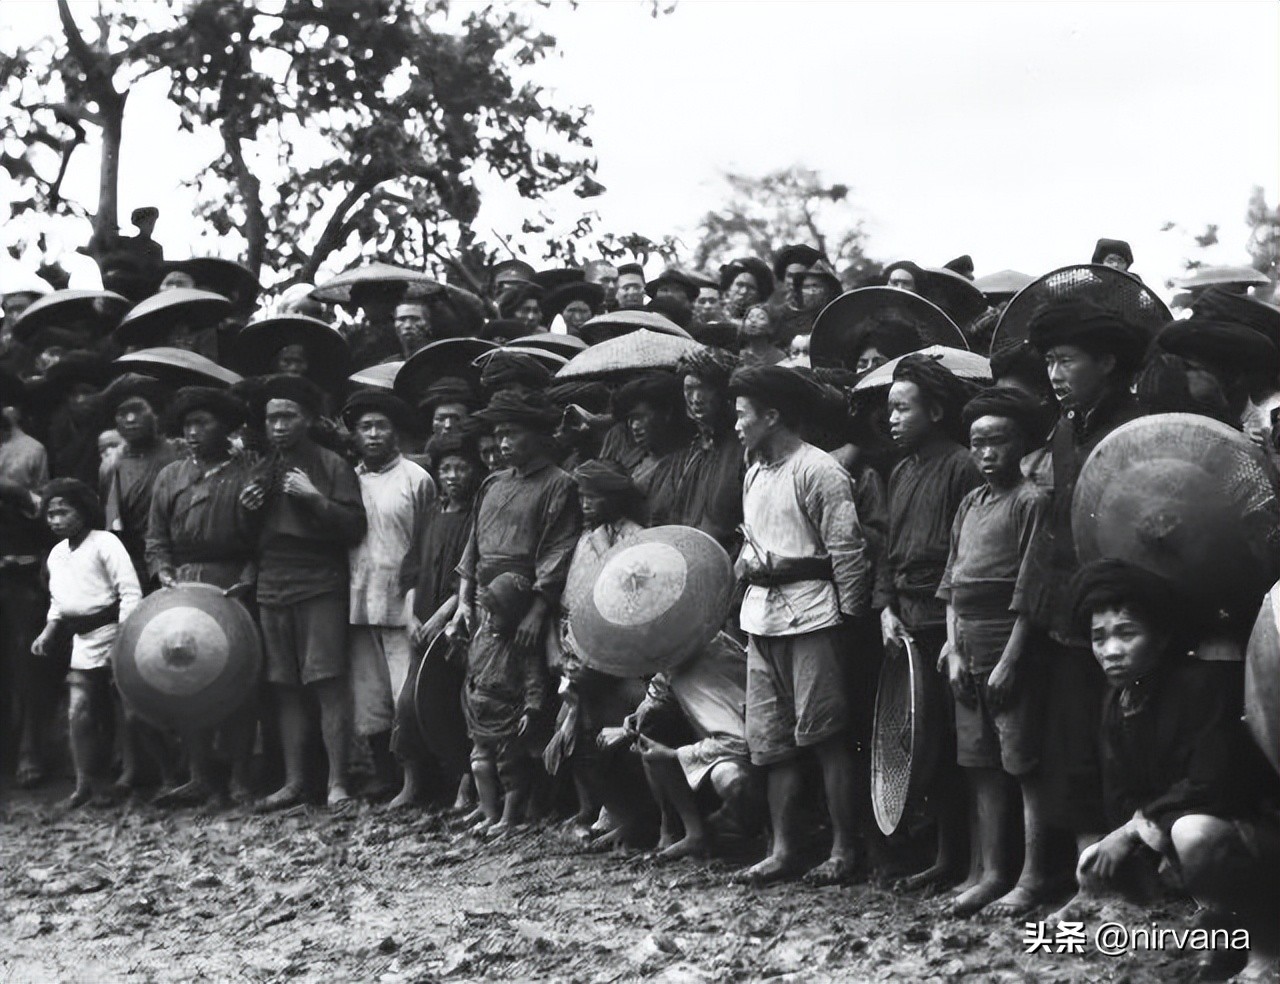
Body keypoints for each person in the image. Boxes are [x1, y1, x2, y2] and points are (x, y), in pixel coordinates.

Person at [1070, 560, 1280, 980]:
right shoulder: (1118, 701)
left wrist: (1133, 832)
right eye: (1099, 637)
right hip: (1180, 832)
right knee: (1115, 852)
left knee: (1193, 834)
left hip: (1260, 833)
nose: (1111, 650)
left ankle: (1267, 947)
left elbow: (1215, 785)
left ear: (1163, 637)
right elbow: (1119, 795)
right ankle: (1223, 931)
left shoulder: (1204, 684)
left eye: (1127, 633)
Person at [1024, 300, 1149, 921]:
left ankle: (1136, 883)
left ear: (1107, 361)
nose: (1054, 372)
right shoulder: (1066, 427)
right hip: (1070, 610)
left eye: (1065, 359)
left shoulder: (1142, 425)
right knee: (1072, 743)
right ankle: (1087, 882)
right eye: (1047, 360)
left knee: (1123, 744)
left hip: (1128, 609)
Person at [728, 364, 872, 886]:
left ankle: (843, 848)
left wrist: (852, 623)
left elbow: (847, 553)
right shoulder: (754, 470)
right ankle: (783, 849)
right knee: (771, 743)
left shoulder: (818, 471)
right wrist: (748, 563)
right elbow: (757, 538)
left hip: (812, 618)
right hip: (761, 620)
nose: (737, 424)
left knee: (825, 737)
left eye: (743, 415)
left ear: (772, 415)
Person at [937, 389, 1051, 917]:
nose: (987, 454)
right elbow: (952, 585)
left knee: (1021, 764)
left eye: (998, 441)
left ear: (1021, 444)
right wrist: (954, 652)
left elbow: (1030, 593)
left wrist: (1010, 661)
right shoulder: (970, 503)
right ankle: (989, 871)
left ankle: (1031, 877)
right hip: (967, 648)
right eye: (978, 443)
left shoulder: (1031, 502)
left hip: (1010, 647)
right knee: (979, 764)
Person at [876, 353, 982, 890]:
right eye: (889, 409)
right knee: (924, 743)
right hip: (907, 620)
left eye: (903, 409)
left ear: (936, 411)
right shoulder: (900, 471)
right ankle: (944, 856)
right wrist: (887, 608)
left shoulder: (962, 465)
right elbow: (889, 551)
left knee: (961, 745)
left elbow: (966, 552)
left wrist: (952, 624)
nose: (891, 419)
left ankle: (972, 862)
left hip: (947, 622)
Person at [239, 375, 367, 810]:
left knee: (327, 681)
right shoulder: (261, 467)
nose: (278, 425)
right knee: (285, 686)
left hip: (320, 581)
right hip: (273, 584)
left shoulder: (332, 465)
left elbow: (353, 527)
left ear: (309, 419)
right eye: (272, 417)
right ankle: (294, 781)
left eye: (288, 416)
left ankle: (337, 782)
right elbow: (247, 538)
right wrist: (248, 509)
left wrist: (314, 498)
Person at [144, 386, 261, 805]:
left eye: (203, 423)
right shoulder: (170, 476)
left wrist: (248, 577)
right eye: (188, 425)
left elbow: (262, 539)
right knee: (187, 677)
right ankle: (199, 776)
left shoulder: (247, 472)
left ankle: (241, 776)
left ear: (224, 427)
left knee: (237, 680)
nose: (194, 432)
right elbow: (156, 537)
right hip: (183, 588)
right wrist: (163, 573)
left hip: (232, 585)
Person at [546, 459, 649, 843]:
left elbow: (633, 599)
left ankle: (619, 811)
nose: (585, 503)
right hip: (577, 645)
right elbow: (571, 595)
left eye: (594, 496)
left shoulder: (636, 538)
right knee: (571, 726)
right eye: (582, 496)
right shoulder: (584, 540)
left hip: (618, 652)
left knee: (608, 728)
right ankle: (588, 806)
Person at [342, 390, 435, 800]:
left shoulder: (417, 479)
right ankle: (384, 775)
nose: (374, 434)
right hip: (358, 602)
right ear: (355, 435)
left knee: (406, 696)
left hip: (403, 602)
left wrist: (419, 598)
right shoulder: (347, 479)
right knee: (370, 697)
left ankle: (421, 780)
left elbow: (428, 546)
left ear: (395, 432)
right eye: (366, 427)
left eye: (382, 426)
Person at [31, 479, 141, 808]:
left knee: (127, 710)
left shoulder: (105, 543)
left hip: (113, 632)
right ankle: (84, 784)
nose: (55, 520)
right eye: (50, 514)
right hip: (82, 640)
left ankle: (131, 775)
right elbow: (59, 602)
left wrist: (122, 638)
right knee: (78, 711)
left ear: (83, 511)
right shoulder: (56, 555)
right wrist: (49, 632)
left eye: (63, 512)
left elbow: (130, 592)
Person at [394, 430, 484, 810]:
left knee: (457, 702)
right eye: (446, 468)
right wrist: (413, 616)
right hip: (422, 618)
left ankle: (466, 784)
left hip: (457, 620)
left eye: (461, 468)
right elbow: (412, 566)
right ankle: (411, 782)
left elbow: (468, 574)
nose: (452, 476)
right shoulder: (431, 514)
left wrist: (441, 617)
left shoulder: (475, 517)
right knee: (408, 704)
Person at [629, 632, 759, 861]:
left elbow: (739, 741)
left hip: (751, 756)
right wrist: (639, 715)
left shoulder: (705, 662)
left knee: (731, 779)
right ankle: (692, 832)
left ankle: (732, 828)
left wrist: (674, 754)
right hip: (717, 746)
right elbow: (658, 694)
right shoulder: (680, 653)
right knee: (650, 724)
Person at [460, 571, 550, 837]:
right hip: (480, 715)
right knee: (479, 764)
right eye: (487, 613)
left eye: (495, 614)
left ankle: (509, 819)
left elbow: (535, 681)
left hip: (507, 717)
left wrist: (531, 709)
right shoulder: (483, 635)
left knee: (510, 770)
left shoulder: (522, 646)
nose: (489, 620)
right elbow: (472, 665)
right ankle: (489, 814)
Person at [0, 371, 53, 789]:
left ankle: (31, 749)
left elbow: (46, 510)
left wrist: (14, 492)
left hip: (18, 570)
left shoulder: (28, 450)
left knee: (25, 662)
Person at [99, 374, 184, 586]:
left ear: (155, 414)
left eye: (137, 410)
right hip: (138, 562)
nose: (130, 419)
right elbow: (114, 524)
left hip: (183, 556)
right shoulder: (112, 466)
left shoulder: (181, 452)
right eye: (123, 413)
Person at [670, 346, 746, 556]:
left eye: (705, 388)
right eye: (689, 389)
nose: (696, 398)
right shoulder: (691, 449)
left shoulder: (742, 447)